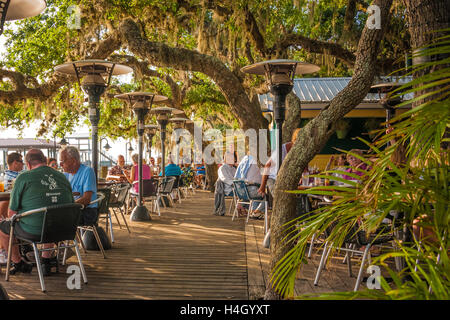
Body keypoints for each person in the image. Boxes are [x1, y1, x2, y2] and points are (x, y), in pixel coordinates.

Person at [0, 149, 73, 274]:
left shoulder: (23, 177)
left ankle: (18, 263)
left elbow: (11, 214)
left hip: (35, 232)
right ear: (45, 160)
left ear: (28, 165)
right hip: (65, 229)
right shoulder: (62, 176)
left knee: (3, 228)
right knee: (50, 218)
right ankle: (46, 262)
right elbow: (71, 203)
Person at [59, 146, 98, 226]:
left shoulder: (87, 171)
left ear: (73, 161)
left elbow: (86, 199)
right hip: (73, 209)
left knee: (56, 220)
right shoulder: (65, 175)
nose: (60, 164)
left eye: (62, 161)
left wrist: (68, 207)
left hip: (87, 210)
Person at [234, 151, 264, 217]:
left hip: (242, 192)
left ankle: (241, 205)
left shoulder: (243, 161)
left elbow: (236, 178)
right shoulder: (258, 162)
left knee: (256, 189)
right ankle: (255, 211)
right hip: (252, 191)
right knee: (266, 195)